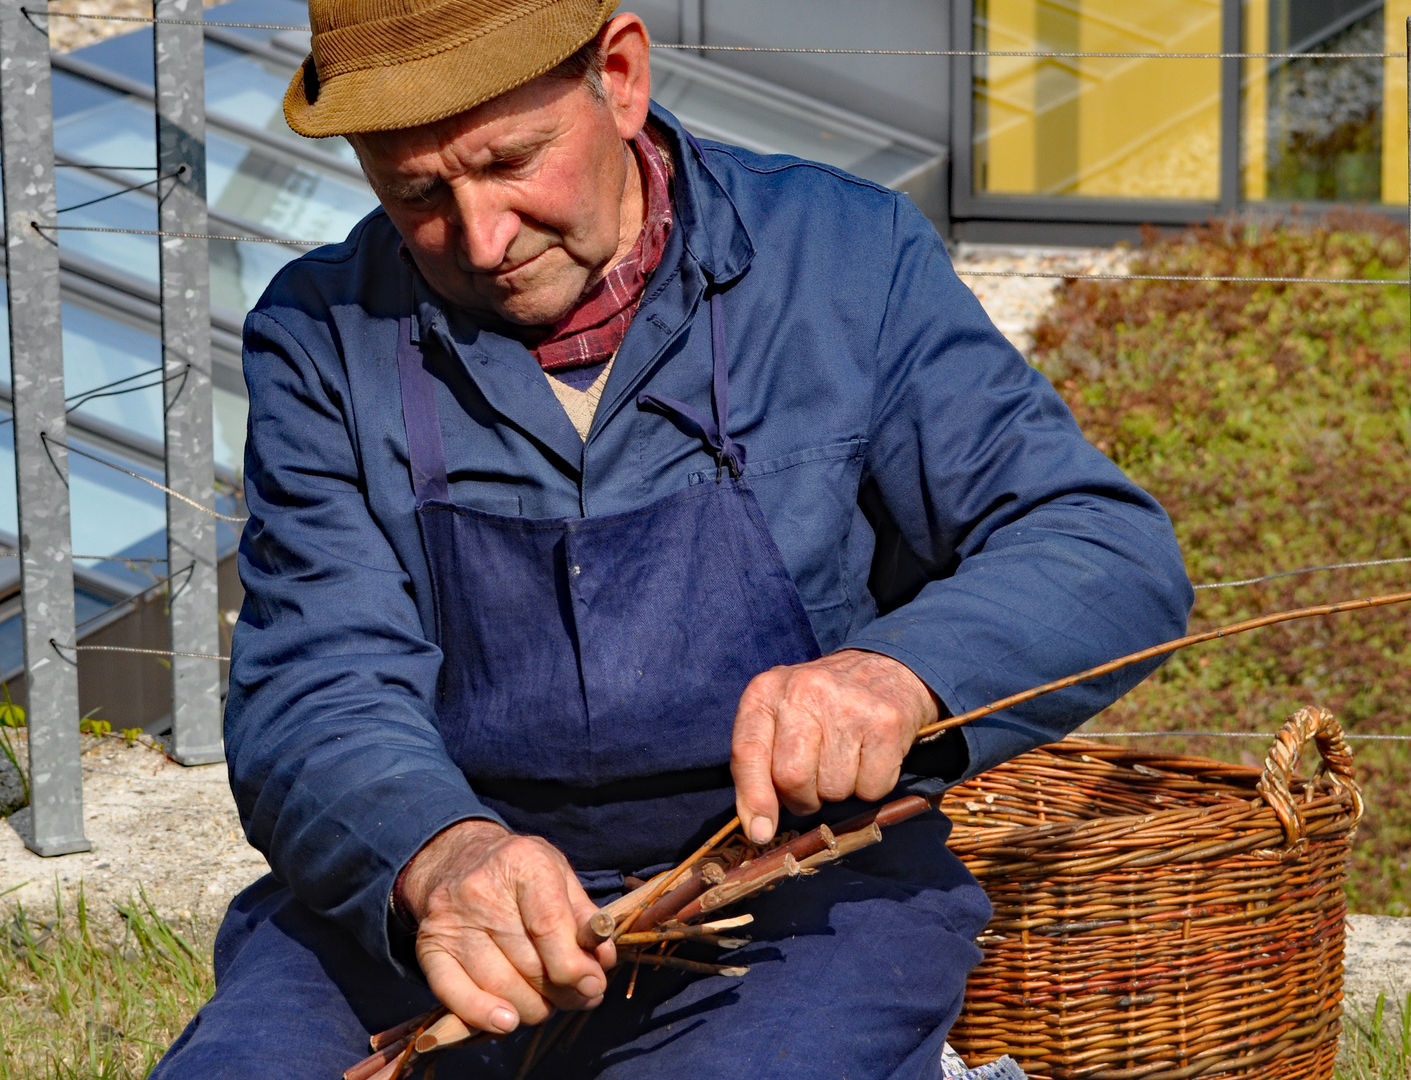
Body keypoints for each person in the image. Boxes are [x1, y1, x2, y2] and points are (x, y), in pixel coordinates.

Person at [151, 2, 1193, 1077]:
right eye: (417, 193)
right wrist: (440, 856)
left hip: (794, 900)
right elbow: (314, 683)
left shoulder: (847, 260)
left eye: (512, 162)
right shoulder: (320, 337)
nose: (482, 237)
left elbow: (1101, 547)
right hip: (443, 916)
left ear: (622, 74)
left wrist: (895, 674)